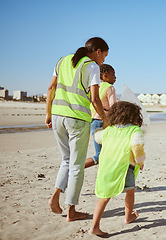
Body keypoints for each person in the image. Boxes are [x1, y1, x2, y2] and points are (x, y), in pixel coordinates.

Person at [45, 37, 109, 221]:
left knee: (66, 160)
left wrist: (48, 114)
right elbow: (95, 99)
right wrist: (105, 119)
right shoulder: (92, 66)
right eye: (104, 55)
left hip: (57, 116)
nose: (103, 59)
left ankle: (55, 196)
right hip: (77, 120)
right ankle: (71, 211)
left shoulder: (62, 60)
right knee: (76, 166)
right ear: (97, 51)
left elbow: (51, 88)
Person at [89, 101, 145, 236]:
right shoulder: (134, 130)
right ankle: (128, 217)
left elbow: (97, 137)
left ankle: (94, 226)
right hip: (126, 167)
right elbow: (137, 147)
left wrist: (101, 127)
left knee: (104, 196)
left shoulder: (108, 130)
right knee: (130, 192)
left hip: (107, 166)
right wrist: (140, 162)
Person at [85, 64, 117, 168]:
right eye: (113, 75)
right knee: (101, 155)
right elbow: (113, 107)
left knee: (102, 154)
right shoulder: (110, 88)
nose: (115, 77)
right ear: (104, 75)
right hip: (105, 122)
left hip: (93, 121)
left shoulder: (95, 87)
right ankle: (76, 167)